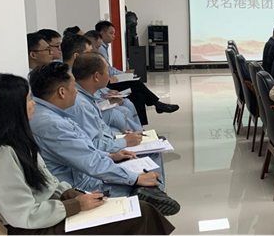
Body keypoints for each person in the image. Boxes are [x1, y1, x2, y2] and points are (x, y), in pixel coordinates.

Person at [0, 73, 176, 236]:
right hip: (36, 227)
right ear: (12, 110)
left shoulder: (20, 141)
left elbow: (48, 182)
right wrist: (76, 205)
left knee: (141, 210)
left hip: (51, 211)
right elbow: (23, 215)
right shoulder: (4, 154)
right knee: (140, 213)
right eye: (28, 100)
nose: (33, 104)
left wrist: (73, 195)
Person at [28, 63, 180, 216]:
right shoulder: (52, 124)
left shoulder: (50, 114)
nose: (76, 91)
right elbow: (90, 162)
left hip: (83, 173)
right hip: (79, 186)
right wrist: (135, 179)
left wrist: (110, 156)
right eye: (73, 86)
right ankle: (151, 204)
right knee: (146, 194)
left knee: (147, 180)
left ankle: (154, 197)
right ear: (62, 92)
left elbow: (83, 148)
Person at [93, 22, 179, 123]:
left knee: (139, 96)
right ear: (102, 33)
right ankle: (157, 104)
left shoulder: (103, 47)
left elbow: (109, 68)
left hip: (109, 81)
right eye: (111, 33)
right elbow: (108, 71)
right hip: (107, 84)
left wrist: (123, 73)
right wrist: (122, 74)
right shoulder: (100, 49)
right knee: (136, 84)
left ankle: (141, 126)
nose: (114, 36)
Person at [62, 35, 143, 133]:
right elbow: (95, 137)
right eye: (89, 52)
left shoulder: (81, 79)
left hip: (99, 113)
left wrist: (107, 92)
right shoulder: (71, 81)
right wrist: (124, 139)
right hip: (98, 117)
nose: (94, 53)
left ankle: (140, 132)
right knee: (119, 113)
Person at [69, 53, 144, 151]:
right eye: (107, 71)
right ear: (96, 76)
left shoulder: (87, 95)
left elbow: (101, 129)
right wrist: (124, 141)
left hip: (106, 142)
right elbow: (91, 145)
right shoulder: (81, 105)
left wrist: (120, 135)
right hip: (101, 152)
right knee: (154, 155)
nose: (109, 75)